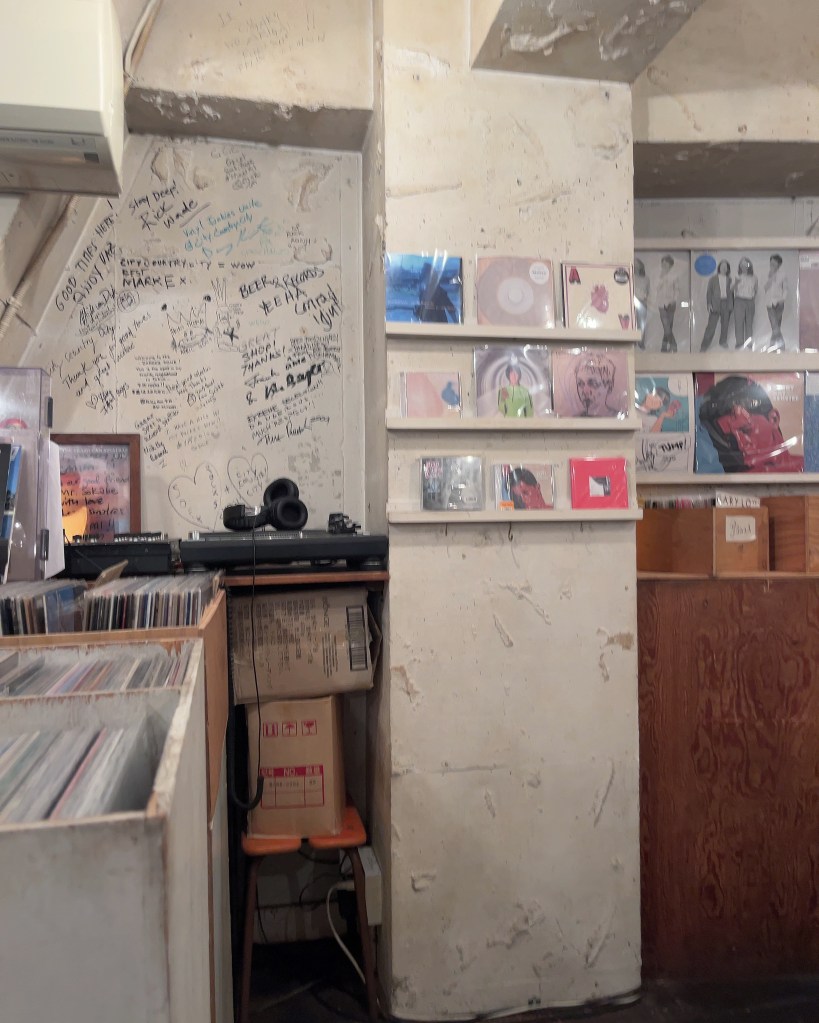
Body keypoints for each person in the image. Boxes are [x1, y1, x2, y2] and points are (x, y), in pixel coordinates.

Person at [698, 374, 804, 473]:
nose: (741, 445)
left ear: (773, 419)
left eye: (746, 431)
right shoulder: (731, 479)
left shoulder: (806, 468)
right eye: (730, 439)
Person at [699, 259, 733, 351]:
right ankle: (704, 346)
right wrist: (709, 304)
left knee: (725, 325)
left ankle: (723, 341)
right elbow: (709, 292)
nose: (724, 268)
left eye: (726, 267)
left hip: (726, 304)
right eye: (722, 266)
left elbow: (731, 293)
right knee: (711, 326)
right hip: (715, 304)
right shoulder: (713, 279)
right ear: (719, 268)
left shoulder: (730, 279)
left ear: (728, 269)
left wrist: (731, 305)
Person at [575, 353, 620, 417]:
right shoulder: (573, 419)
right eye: (580, 383)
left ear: (609, 387)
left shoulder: (619, 418)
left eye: (593, 384)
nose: (585, 391)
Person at [656, 255, 680, 352]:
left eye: (666, 263)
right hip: (661, 303)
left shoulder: (675, 276)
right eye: (663, 263)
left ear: (670, 265)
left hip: (671, 303)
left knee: (669, 326)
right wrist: (661, 277)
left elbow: (677, 289)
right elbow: (656, 288)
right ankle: (674, 345)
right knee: (666, 326)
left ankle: (664, 347)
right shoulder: (658, 275)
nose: (664, 265)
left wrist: (674, 300)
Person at [763, 253, 788, 350]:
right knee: (774, 325)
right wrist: (771, 277)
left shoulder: (783, 274)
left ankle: (773, 346)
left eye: (774, 262)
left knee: (777, 325)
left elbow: (785, 288)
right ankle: (782, 345)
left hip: (779, 302)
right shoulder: (767, 273)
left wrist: (783, 299)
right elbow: (765, 288)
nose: (772, 264)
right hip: (769, 303)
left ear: (779, 264)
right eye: (771, 262)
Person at [732, 256, 757, 349]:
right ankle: (739, 343)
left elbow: (756, 290)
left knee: (749, 323)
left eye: (746, 264)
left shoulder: (754, 277)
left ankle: (749, 343)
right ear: (740, 266)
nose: (744, 266)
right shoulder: (737, 276)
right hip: (739, 300)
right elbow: (732, 289)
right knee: (738, 323)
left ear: (749, 266)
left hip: (750, 301)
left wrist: (752, 299)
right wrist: (736, 283)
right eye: (742, 265)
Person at [633, 258, 649, 349]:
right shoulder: (631, 276)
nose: (635, 267)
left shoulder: (646, 279)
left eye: (637, 265)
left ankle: (641, 342)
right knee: (632, 323)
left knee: (642, 323)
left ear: (640, 266)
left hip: (642, 303)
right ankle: (633, 342)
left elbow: (648, 291)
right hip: (632, 302)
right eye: (634, 265)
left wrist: (645, 299)